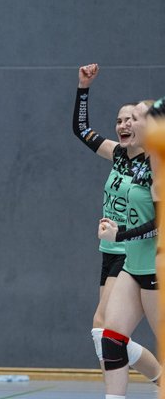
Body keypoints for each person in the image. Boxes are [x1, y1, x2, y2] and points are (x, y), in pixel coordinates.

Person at [73, 64, 161, 384]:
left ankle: (156, 379)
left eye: (130, 119)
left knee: (104, 328)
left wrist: (121, 234)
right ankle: (153, 380)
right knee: (106, 332)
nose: (123, 125)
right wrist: (83, 88)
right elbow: (82, 129)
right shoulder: (119, 154)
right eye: (119, 120)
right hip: (109, 249)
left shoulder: (153, 163)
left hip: (131, 249)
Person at [97, 97, 159, 398]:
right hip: (133, 265)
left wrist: (120, 235)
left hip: (156, 268)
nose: (129, 123)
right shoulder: (135, 162)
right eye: (127, 118)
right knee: (110, 338)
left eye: (137, 117)